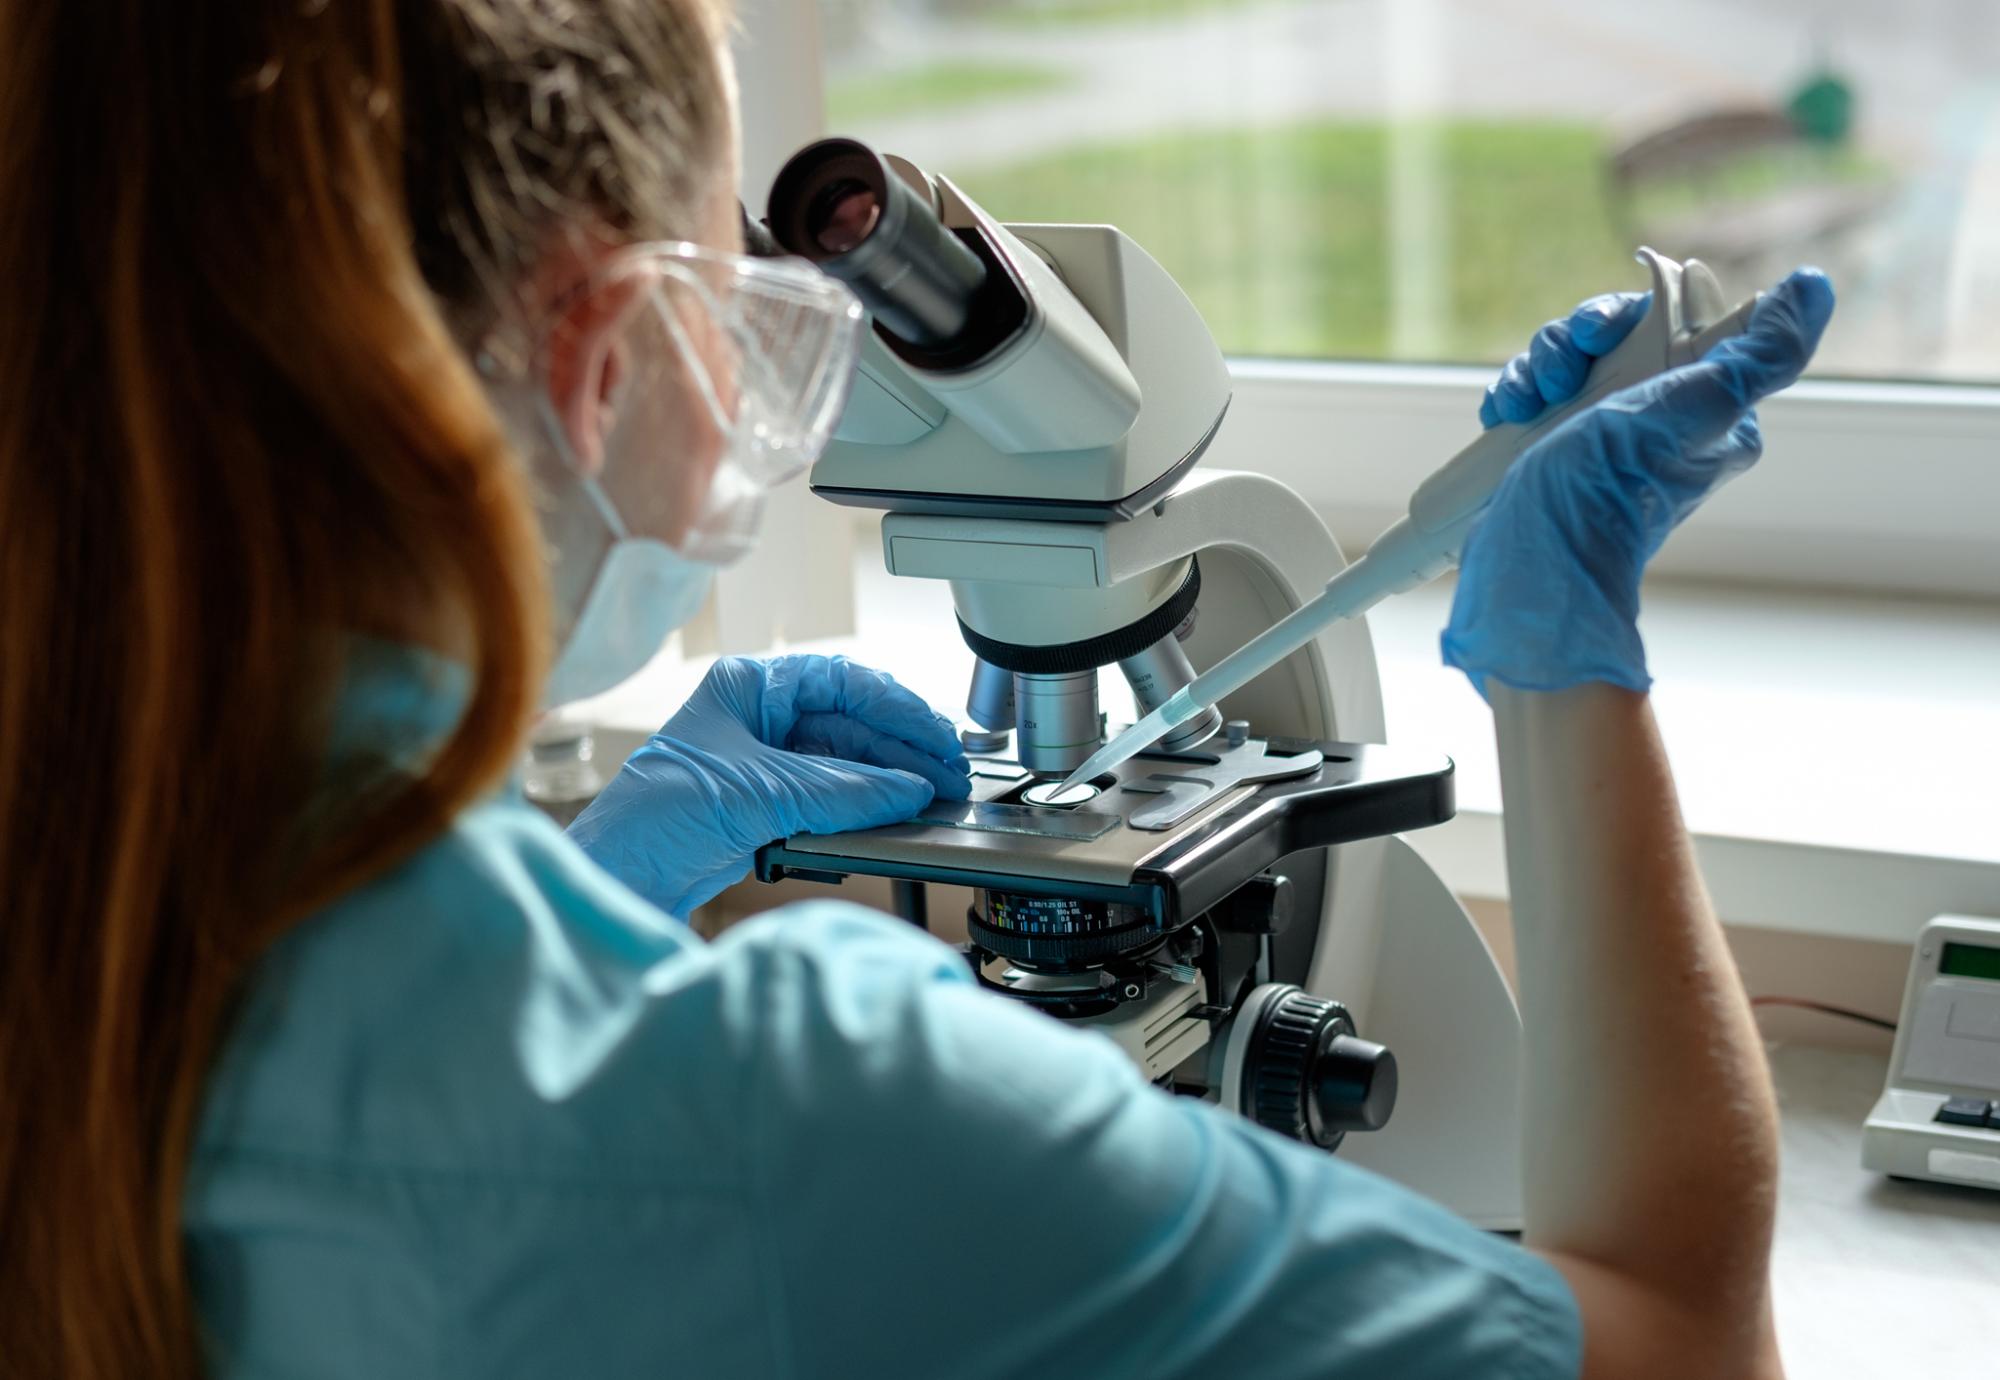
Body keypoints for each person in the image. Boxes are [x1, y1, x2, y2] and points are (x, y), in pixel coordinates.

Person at [0, 2, 1834, 1376]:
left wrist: (579, 891)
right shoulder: (799, 1114)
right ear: (600, 349)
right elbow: (1674, 1335)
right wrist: (1558, 643)